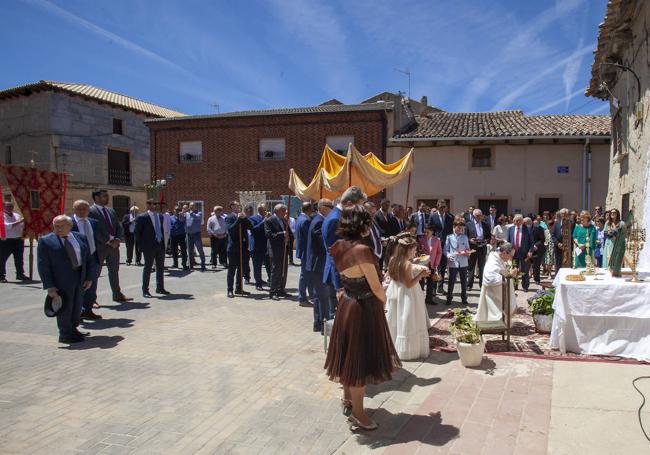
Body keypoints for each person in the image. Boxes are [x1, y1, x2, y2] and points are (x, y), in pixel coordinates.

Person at [324, 205, 401, 431]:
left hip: (347, 304)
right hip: (362, 308)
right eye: (368, 221)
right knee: (360, 361)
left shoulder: (338, 246)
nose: (371, 225)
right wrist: (385, 297)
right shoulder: (362, 250)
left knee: (348, 356)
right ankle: (358, 413)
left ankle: (347, 400)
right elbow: (376, 287)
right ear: (362, 224)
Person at [37, 215, 95, 343]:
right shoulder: (46, 241)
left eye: (61, 226)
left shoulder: (80, 237)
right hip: (61, 280)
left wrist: (90, 277)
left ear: (70, 226)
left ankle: (73, 328)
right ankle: (64, 334)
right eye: (56, 226)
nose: (58, 229)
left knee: (77, 305)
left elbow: (89, 259)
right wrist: (49, 286)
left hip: (79, 277)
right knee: (65, 307)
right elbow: (43, 265)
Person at [385, 234, 431, 360]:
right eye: (413, 249)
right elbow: (409, 284)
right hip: (407, 294)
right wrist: (421, 274)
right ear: (408, 250)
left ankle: (393, 344)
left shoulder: (393, 259)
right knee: (408, 320)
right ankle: (407, 350)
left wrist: (413, 262)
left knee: (396, 319)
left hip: (395, 291)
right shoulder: (406, 264)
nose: (415, 251)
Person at [88, 189, 129, 302]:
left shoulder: (111, 211)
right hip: (100, 247)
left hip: (114, 247)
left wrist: (117, 239)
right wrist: (108, 240)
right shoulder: (91, 211)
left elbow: (118, 226)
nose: (107, 198)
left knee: (114, 271)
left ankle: (117, 294)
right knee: (95, 273)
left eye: (107, 196)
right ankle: (91, 299)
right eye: (104, 196)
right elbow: (93, 229)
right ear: (96, 198)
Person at [305, 199, 333, 332]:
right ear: (322, 208)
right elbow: (323, 243)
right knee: (323, 297)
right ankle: (324, 325)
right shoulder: (319, 221)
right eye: (330, 206)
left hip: (316, 264)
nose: (332, 209)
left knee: (318, 296)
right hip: (319, 264)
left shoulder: (318, 219)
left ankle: (317, 323)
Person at [71, 200, 101, 319]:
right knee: (78, 286)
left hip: (92, 257)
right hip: (77, 259)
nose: (82, 211)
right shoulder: (69, 222)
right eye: (79, 208)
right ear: (74, 209)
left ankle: (87, 309)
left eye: (84, 209)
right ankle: (76, 313)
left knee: (91, 284)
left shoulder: (93, 223)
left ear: (88, 210)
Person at [475, 242, 518, 324]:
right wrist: (509, 276)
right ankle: (497, 323)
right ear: (504, 253)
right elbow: (491, 279)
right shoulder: (493, 261)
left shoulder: (499, 258)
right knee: (496, 313)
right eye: (510, 256)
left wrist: (509, 274)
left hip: (498, 291)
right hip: (493, 292)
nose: (510, 259)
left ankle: (502, 321)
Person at [136, 199, 169, 297]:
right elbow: (137, 233)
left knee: (160, 267)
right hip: (148, 247)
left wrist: (163, 244)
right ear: (148, 205)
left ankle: (160, 288)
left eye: (157, 204)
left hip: (159, 245)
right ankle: (145, 290)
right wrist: (141, 247)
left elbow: (161, 231)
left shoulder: (160, 216)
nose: (157, 206)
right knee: (148, 267)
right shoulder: (142, 217)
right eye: (154, 204)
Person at [265, 204, 293, 299]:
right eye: (283, 210)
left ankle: (281, 289)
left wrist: (289, 238)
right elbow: (269, 235)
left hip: (284, 248)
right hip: (275, 249)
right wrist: (282, 234)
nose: (285, 212)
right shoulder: (269, 220)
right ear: (277, 211)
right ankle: (272, 292)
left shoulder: (284, 220)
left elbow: (289, 232)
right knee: (275, 271)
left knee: (283, 270)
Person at [225, 201, 251, 298]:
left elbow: (250, 226)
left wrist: (245, 219)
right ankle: (230, 290)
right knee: (232, 270)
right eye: (237, 205)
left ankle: (239, 288)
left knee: (241, 269)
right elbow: (231, 230)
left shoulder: (242, 217)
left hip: (243, 248)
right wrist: (238, 220)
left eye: (240, 206)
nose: (239, 207)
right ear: (232, 207)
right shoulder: (229, 217)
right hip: (233, 248)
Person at [444, 217, 471, 305]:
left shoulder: (465, 237)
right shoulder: (449, 237)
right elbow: (445, 250)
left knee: (464, 281)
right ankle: (449, 298)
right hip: (453, 262)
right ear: (454, 227)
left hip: (463, 262)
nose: (460, 229)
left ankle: (464, 298)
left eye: (462, 228)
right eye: (459, 228)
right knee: (451, 281)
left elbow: (468, 249)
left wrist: (467, 253)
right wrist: (448, 256)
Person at [430, 199, 454, 295]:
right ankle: (433, 288)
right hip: (435, 244)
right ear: (437, 206)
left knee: (443, 267)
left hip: (445, 245)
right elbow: (429, 229)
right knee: (434, 265)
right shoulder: (433, 216)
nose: (442, 208)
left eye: (444, 206)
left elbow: (450, 231)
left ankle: (440, 287)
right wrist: (434, 238)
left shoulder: (449, 217)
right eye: (441, 206)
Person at [0, 201, 27, 282]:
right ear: (4, 206)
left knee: (19, 258)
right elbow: (6, 226)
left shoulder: (17, 215)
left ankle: (20, 274)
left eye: (11, 206)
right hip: (6, 240)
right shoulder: (1, 215)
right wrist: (20, 221)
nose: (10, 208)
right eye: (8, 206)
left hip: (18, 239)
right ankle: (1, 276)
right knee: (2, 258)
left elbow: (22, 226)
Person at [465, 209, 491, 290]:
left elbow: (489, 237)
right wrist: (470, 240)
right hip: (473, 248)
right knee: (471, 267)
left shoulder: (486, 225)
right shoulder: (468, 225)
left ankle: (482, 285)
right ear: (473, 216)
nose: (479, 217)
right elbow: (465, 236)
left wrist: (487, 240)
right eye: (477, 216)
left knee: (482, 267)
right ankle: (469, 285)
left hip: (482, 248)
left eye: (480, 215)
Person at [295, 202, 314, 307]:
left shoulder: (300, 218)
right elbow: (309, 237)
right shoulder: (306, 221)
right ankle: (302, 298)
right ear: (309, 209)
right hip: (306, 251)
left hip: (303, 250)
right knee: (305, 275)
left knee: (307, 274)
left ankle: (309, 295)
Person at [507, 214, 533, 291]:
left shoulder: (527, 229)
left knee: (525, 270)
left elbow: (531, 242)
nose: (518, 222)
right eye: (516, 220)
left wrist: (530, 251)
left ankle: (525, 286)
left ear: (522, 221)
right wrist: (509, 252)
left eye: (519, 220)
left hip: (524, 253)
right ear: (514, 221)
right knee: (514, 269)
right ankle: (515, 285)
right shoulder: (511, 229)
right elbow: (508, 241)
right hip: (514, 252)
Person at [248, 204, 270, 290]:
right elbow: (254, 229)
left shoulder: (268, 218)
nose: (267, 211)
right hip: (256, 246)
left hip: (266, 245)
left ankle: (270, 281)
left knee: (268, 265)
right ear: (260, 210)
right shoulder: (252, 218)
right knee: (257, 266)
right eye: (265, 210)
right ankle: (258, 283)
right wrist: (264, 221)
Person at [419, 224, 442, 304]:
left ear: (432, 232)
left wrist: (436, 263)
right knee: (421, 282)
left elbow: (439, 252)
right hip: (422, 264)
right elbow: (419, 251)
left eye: (427, 232)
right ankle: (420, 299)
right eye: (425, 232)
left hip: (432, 264)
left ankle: (429, 299)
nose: (426, 234)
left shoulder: (436, 240)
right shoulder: (421, 239)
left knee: (430, 282)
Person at [185, 202, 206, 271]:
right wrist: (181, 214)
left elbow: (197, 217)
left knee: (200, 249)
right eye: (190, 205)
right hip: (188, 234)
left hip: (196, 234)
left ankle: (203, 264)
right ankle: (191, 265)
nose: (191, 207)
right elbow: (181, 220)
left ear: (196, 207)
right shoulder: (187, 213)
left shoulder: (199, 213)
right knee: (190, 250)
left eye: (193, 206)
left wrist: (190, 212)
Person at [530, 219, 546, 285]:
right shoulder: (530, 228)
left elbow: (542, 239)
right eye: (534, 223)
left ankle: (537, 279)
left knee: (537, 265)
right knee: (532, 264)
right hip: (530, 249)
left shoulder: (540, 229)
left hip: (538, 249)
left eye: (536, 223)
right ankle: (532, 276)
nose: (535, 224)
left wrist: (536, 245)